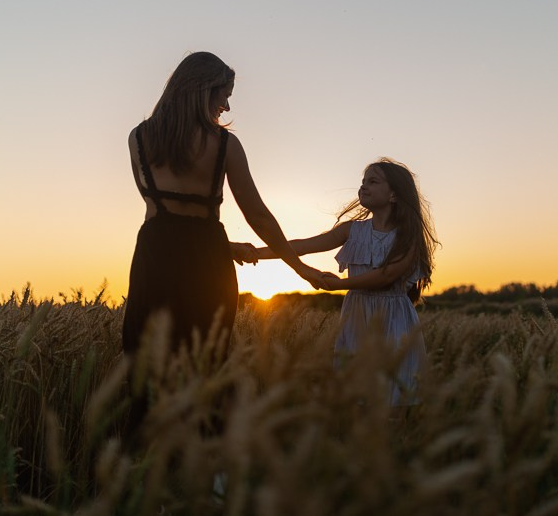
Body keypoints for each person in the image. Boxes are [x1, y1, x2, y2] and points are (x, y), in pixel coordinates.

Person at [123, 52, 323, 433]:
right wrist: (299, 267)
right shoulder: (225, 145)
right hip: (207, 265)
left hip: (153, 261)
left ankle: (148, 460)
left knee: (147, 369)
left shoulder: (137, 139)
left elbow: (161, 213)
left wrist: (227, 247)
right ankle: (204, 460)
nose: (227, 106)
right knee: (206, 369)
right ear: (202, 90)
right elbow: (258, 216)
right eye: (224, 95)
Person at [253, 158, 438, 407]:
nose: (363, 186)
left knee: (393, 397)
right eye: (363, 181)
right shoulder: (352, 230)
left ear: (394, 194)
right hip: (357, 317)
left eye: (373, 181)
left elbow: (386, 276)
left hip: (393, 320)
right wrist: (256, 252)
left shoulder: (408, 236)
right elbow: (302, 246)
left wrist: (338, 285)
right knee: (355, 397)